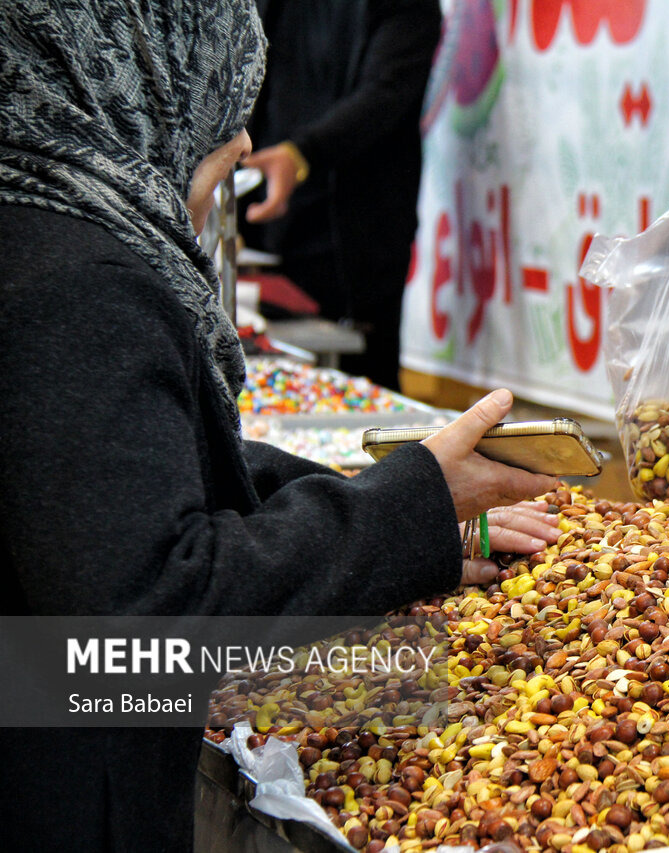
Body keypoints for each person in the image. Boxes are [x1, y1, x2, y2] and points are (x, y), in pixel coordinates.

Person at [0, 1, 558, 848]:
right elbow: (154, 624)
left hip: (43, 697)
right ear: (145, 77)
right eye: (223, 105)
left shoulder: (34, 223)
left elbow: (117, 475)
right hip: (57, 765)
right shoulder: (76, 283)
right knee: (423, 677)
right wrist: (407, 506)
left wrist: (399, 501)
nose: (243, 149)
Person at [239, 0, 440, 391]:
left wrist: (301, 153)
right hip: (267, 223)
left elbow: (386, 92)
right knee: (269, 381)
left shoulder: (409, 9)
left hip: (359, 236)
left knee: (364, 382)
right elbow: (247, 73)